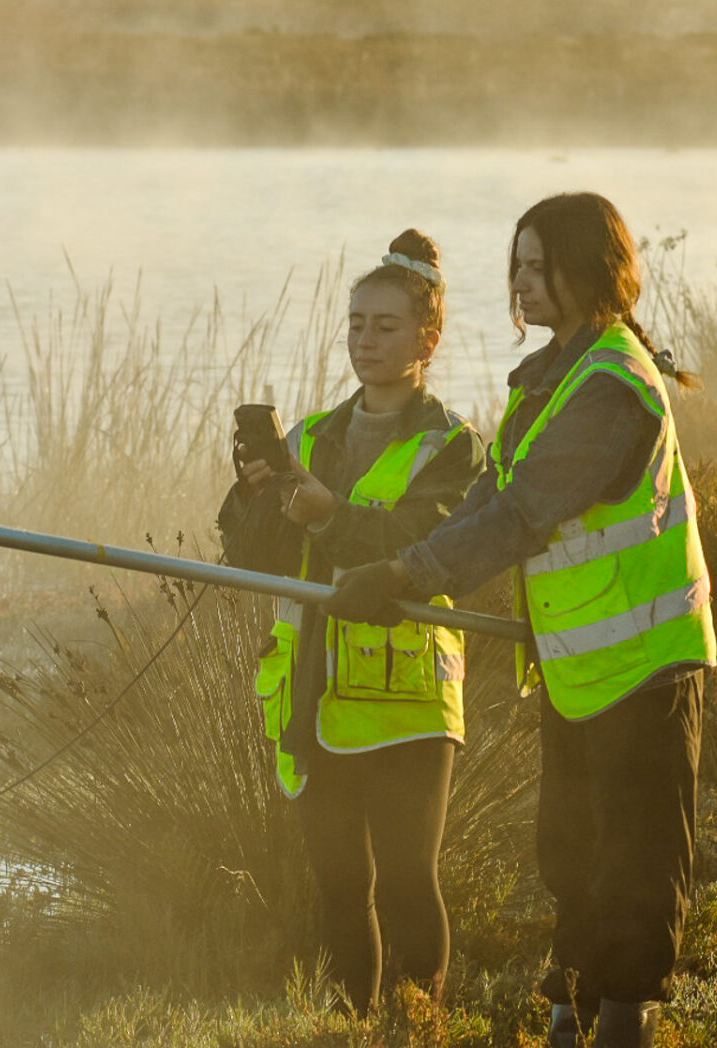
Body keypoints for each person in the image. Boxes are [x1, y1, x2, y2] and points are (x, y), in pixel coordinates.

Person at [327, 193, 716, 1048]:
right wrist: (411, 567)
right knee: (570, 866)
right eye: (518, 265)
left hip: (646, 671)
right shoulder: (551, 377)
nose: (522, 282)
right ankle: (565, 1025)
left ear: (591, 269)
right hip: (580, 676)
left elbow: (521, 515)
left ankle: (619, 1030)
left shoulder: (613, 383)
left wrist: (406, 573)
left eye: (540, 266)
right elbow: (486, 499)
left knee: (635, 882)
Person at [218, 229, 485, 1015]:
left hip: (408, 700)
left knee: (408, 884)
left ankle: (419, 1031)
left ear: (427, 339)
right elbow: (250, 556)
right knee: (339, 890)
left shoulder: (455, 447)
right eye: (356, 324)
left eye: (386, 327)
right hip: (312, 693)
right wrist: (254, 492)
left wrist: (333, 517)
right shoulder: (307, 437)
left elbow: (434, 545)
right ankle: (347, 1031)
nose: (366, 342)